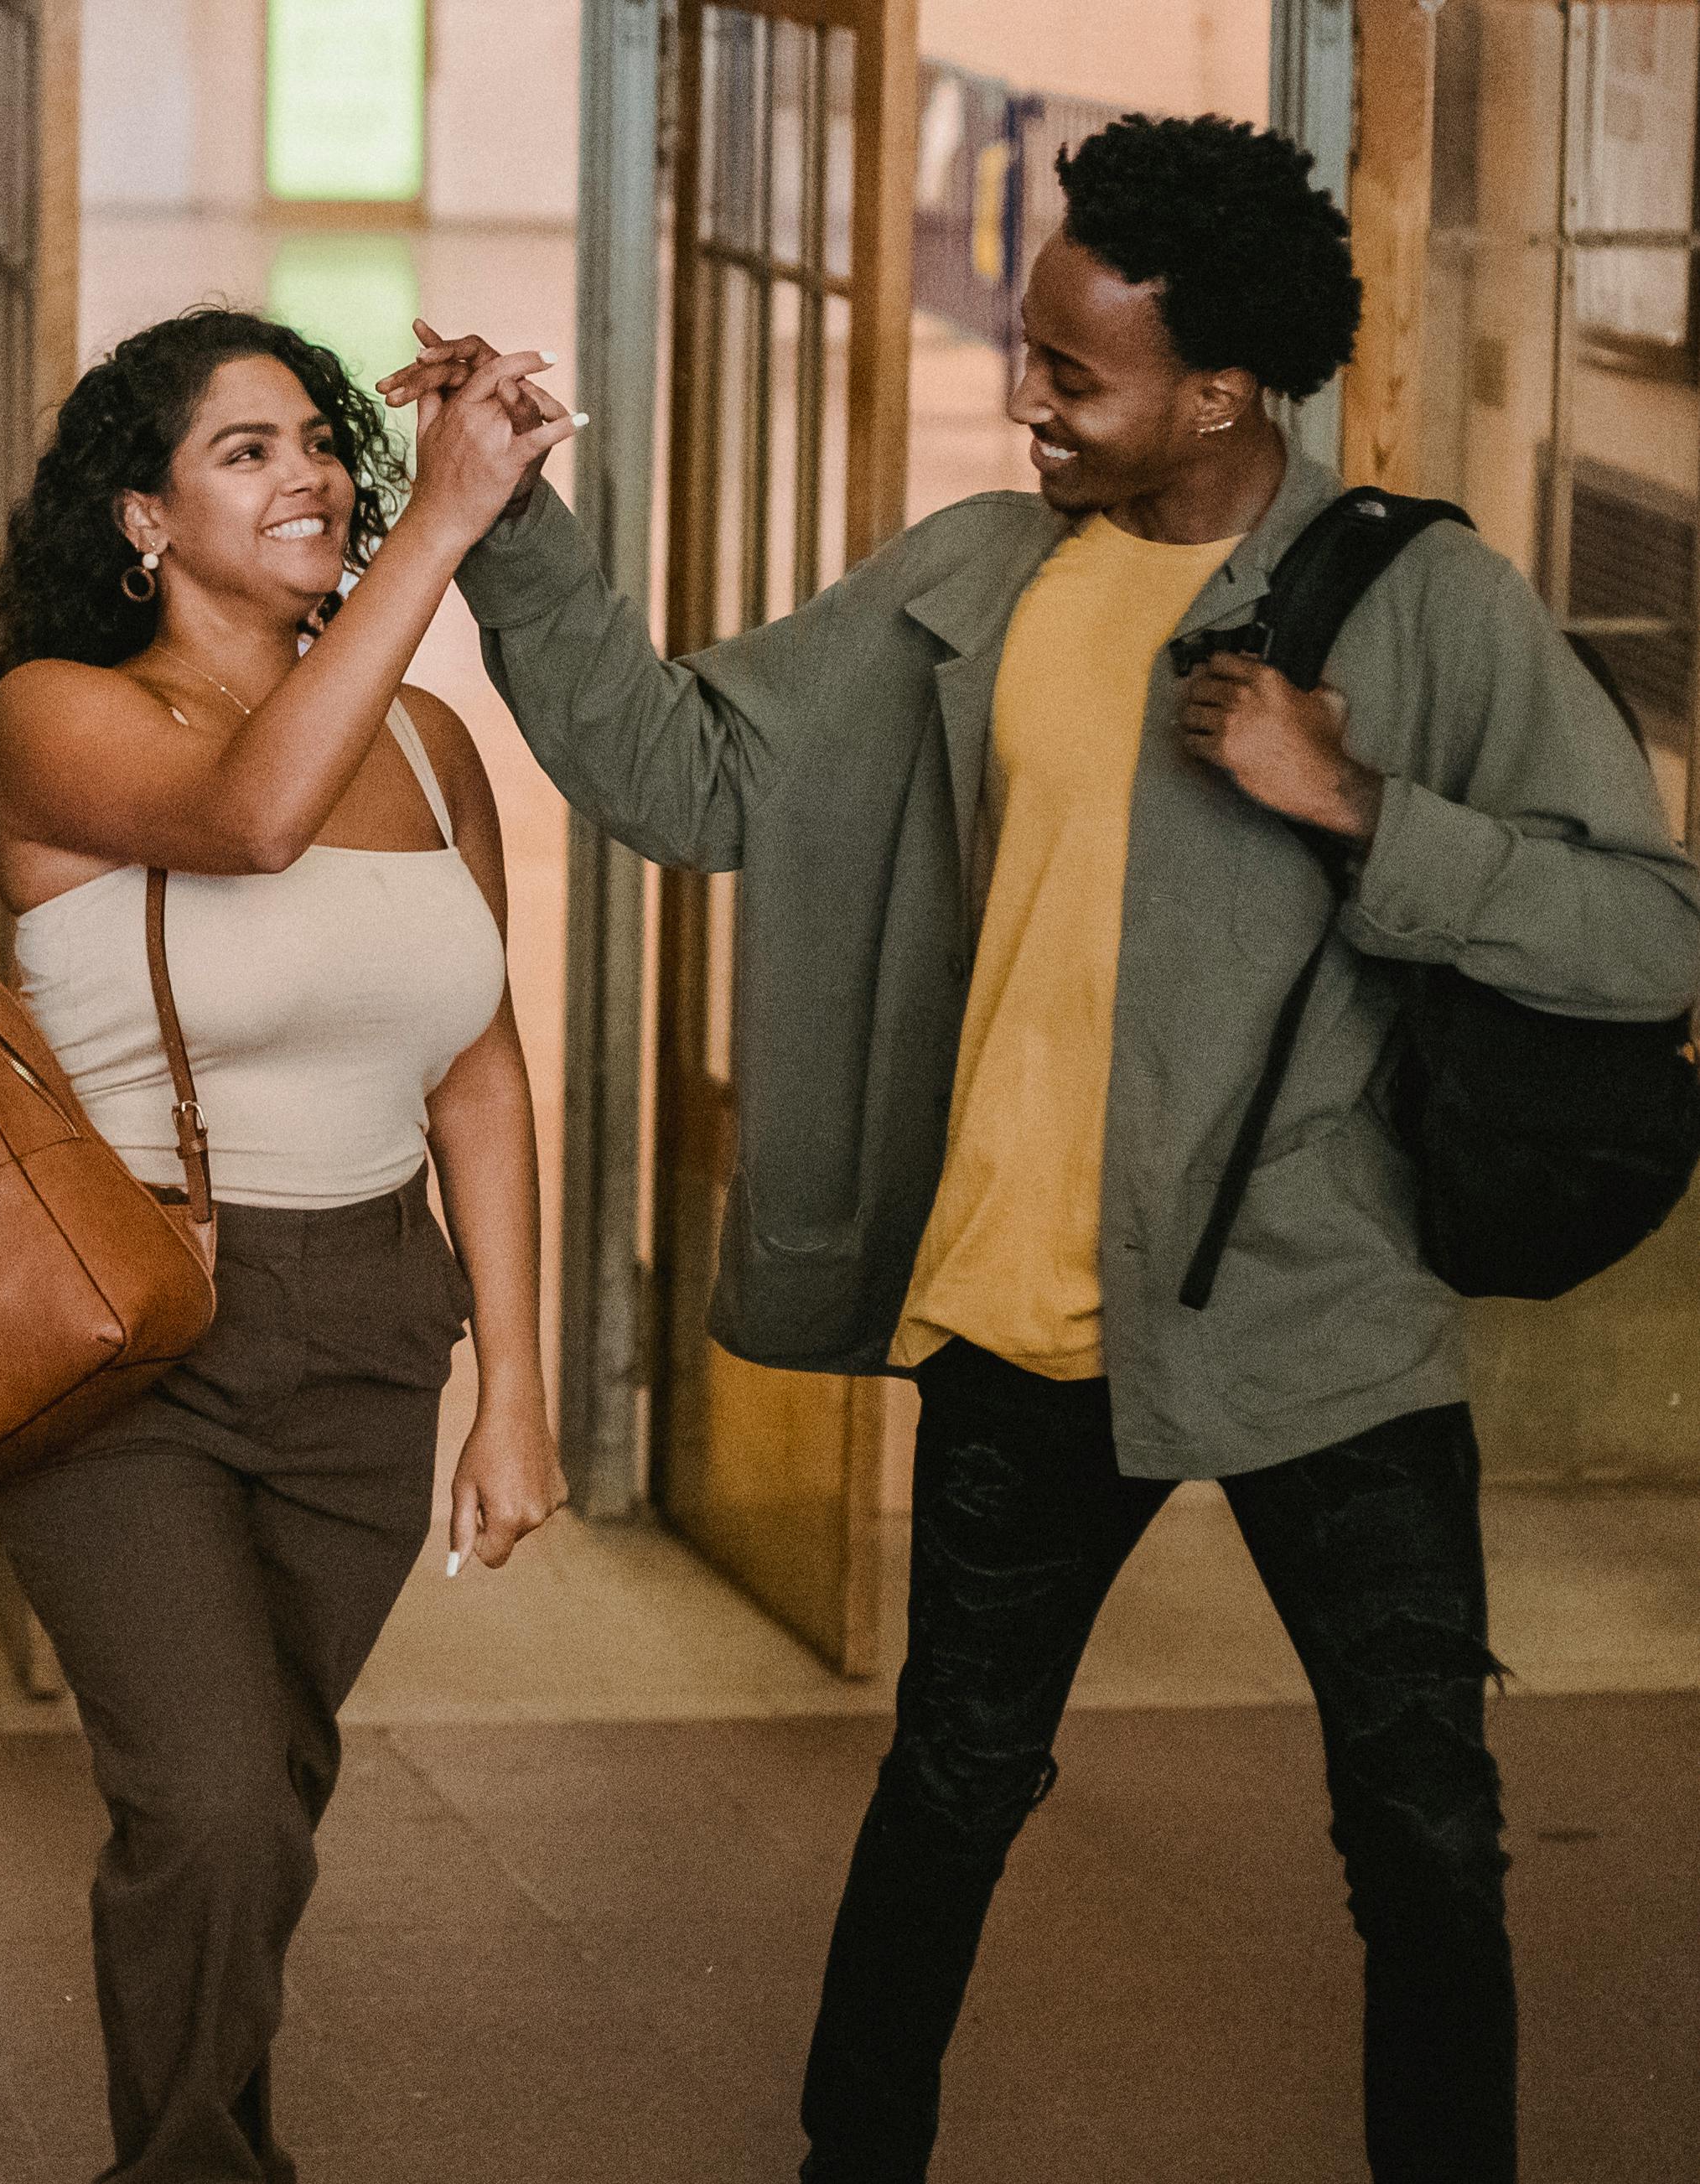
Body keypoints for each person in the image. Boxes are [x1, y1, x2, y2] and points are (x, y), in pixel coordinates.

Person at [384, 117, 1700, 2184]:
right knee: (952, 1782)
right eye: (1028, 349)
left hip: (1322, 1323)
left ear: (1222, 389)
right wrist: (512, 527)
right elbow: (688, 775)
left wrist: (1360, 808)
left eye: (1076, 375)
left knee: (1426, 1826)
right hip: (1018, 1309)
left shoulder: (1422, 604)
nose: (1031, 400)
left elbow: (1647, 934)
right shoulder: (978, 578)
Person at [0, 307, 578, 2184]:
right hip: (132, 1334)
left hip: (369, 1330)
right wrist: (439, 536)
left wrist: (515, 1387)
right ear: (142, 517)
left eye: (318, 436)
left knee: (262, 1800)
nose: (307, 470)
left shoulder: (427, 737)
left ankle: (209, 2138)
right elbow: (245, 819)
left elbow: (474, 1066)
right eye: (245, 450)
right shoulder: (60, 714)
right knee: (218, 1802)